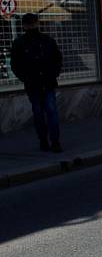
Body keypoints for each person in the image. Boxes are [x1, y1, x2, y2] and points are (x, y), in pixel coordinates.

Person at [10, 13, 63, 152]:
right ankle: (44, 140)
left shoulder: (47, 40)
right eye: (30, 24)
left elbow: (57, 58)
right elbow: (15, 64)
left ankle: (54, 141)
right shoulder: (20, 43)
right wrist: (25, 77)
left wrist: (54, 73)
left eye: (33, 23)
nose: (32, 26)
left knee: (50, 111)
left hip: (47, 82)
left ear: (37, 24)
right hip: (33, 84)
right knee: (39, 113)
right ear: (25, 25)